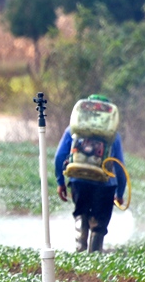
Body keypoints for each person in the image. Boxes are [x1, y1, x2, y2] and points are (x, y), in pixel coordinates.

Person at [54, 95, 127, 253]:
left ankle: (80, 248)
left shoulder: (73, 130)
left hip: (78, 179)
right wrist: (120, 193)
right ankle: (94, 253)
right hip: (105, 183)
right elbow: (120, 166)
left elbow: (59, 156)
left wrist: (60, 182)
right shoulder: (112, 136)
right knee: (99, 222)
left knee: (81, 213)